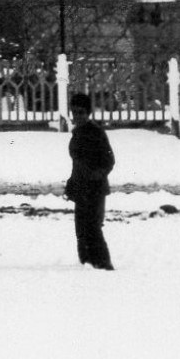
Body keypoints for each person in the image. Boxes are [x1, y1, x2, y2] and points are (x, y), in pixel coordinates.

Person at [64, 93, 114, 270]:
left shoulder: (96, 133)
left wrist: (95, 176)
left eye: (82, 112)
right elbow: (78, 163)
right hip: (81, 189)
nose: (78, 116)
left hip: (95, 190)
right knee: (81, 230)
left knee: (93, 228)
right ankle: (86, 264)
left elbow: (109, 161)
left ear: (88, 113)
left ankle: (103, 264)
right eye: (75, 112)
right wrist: (72, 182)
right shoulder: (77, 133)